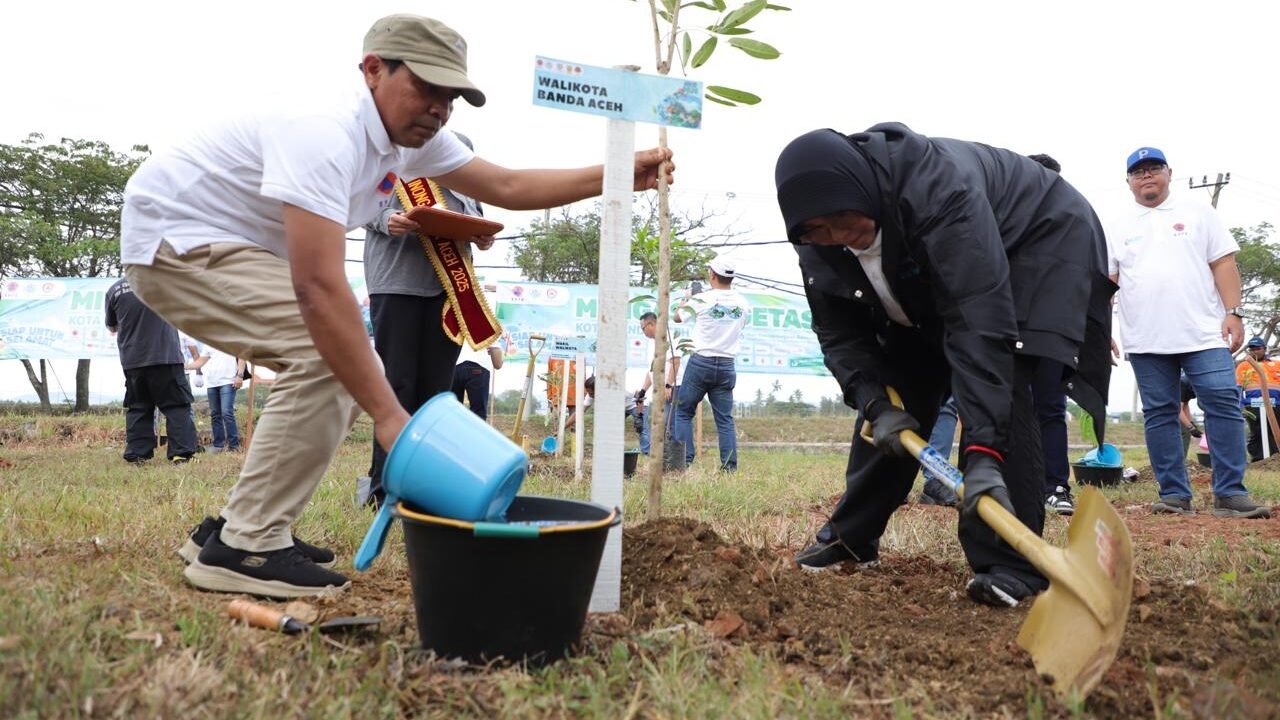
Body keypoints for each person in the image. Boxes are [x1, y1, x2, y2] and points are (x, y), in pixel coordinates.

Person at [120, 13, 675, 598]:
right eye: (427, 88)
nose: (439, 108)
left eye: (451, 97)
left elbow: (507, 186)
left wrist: (617, 175)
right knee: (329, 351)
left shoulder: (408, 140)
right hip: (177, 242)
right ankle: (247, 547)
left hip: (225, 243)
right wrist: (389, 415)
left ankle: (238, 529)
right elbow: (318, 287)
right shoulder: (325, 131)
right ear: (373, 69)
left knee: (335, 354)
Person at [774, 123, 1115, 607]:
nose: (839, 236)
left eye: (844, 218)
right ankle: (852, 538)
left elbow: (979, 325)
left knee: (1008, 368)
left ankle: (1011, 563)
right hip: (938, 268)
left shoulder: (939, 193)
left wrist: (984, 455)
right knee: (897, 385)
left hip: (1039, 235)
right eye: (820, 230)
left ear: (863, 188)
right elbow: (840, 334)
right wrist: (875, 401)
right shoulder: (818, 244)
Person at [1109, 146, 1269, 519]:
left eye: (1154, 168)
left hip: (1204, 333)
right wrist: (1101, 329)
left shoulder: (1198, 213)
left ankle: (1229, 493)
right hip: (1146, 339)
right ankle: (1174, 496)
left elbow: (1224, 263)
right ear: (1129, 181)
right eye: (1139, 171)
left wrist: (1234, 313)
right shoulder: (1116, 225)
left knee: (1222, 400)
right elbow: (1108, 281)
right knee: (1160, 412)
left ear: (1168, 173)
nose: (1147, 176)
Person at [359, 131, 493, 508]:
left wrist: (482, 235)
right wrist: (389, 219)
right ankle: (384, 487)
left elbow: (476, 217)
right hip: (396, 285)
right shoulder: (396, 164)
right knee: (396, 387)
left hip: (449, 291)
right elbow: (362, 206)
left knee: (437, 394)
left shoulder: (469, 173)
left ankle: (425, 489)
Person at [104, 278, 199, 464]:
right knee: (176, 405)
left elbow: (112, 325)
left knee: (139, 406)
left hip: (132, 360)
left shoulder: (115, 289)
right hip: (166, 356)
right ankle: (181, 454)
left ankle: (137, 454)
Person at [672, 257, 749, 471]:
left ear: (712, 275)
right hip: (726, 366)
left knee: (683, 412)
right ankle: (729, 468)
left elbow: (677, 317)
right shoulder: (743, 303)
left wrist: (686, 297)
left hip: (701, 363)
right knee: (724, 420)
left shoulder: (701, 299)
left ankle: (684, 463)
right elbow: (741, 326)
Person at [1235, 336, 1280, 461]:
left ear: (1264, 349)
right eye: (1252, 349)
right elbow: (1238, 388)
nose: (1255, 351)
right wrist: (1240, 406)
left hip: (1276, 404)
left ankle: (1274, 458)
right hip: (1253, 405)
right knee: (1257, 431)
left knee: (1275, 430)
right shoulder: (1243, 366)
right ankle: (1258, 459)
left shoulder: (1276, 364)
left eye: (1257, 348)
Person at [453, 334, 508, 421]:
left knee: (453, 410)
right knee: (478, 413)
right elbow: (497, 364)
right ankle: (474, 434)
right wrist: (503, 356)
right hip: (478, 369)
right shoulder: (486, 325)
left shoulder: (455, 323)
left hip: (455, 369)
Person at [202, 346, 246, 453]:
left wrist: (240, 375)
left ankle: (234, 446)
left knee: (227, 412)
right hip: (212, 383)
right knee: (215, 414)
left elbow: (242, 356)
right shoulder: (207, 341)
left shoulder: (230, 335)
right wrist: (183, 365)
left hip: (228, 381)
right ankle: (218, 446)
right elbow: (200, 361)